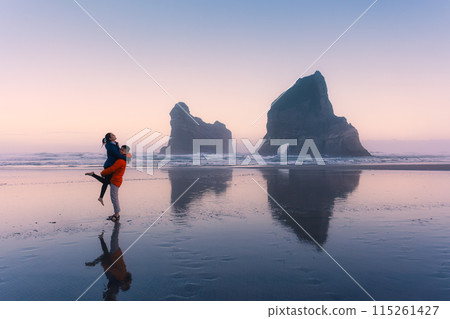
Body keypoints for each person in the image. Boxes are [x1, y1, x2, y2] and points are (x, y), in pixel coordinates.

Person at [85, 222, 132, 301]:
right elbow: (112, 270)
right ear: (126, 284)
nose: (121, 287)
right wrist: (105, 267)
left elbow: (114, 285)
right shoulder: (121, 276)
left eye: (122, 288)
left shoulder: (120, 280)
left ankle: (101, 238)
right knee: (114, 239)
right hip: (115, 254)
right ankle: (117, 224)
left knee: (105, 252)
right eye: (123, 287)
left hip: (112, 259)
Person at [86, 144, 130, 222]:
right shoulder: (121, 159)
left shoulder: (120, 161)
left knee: (114, 198)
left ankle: (116, 215)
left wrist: (103, 172)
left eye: (122, 150)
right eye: (120, 149)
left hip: (116, 181)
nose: (120, 150)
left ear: (125, 153)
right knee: (105, 183)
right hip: (115, 179)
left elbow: (112, 169)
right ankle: (93, 174)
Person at [87, 133, 127, 206]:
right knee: (107, 182)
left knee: (106, 182)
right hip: (109, 166)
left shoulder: (114, 144)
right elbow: (117, 155)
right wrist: (127, 158)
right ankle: (101, 196)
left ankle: (101, 197)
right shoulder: (110, 146)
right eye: (113, 135)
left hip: (111, 165)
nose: (115, 135)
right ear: (110, 139)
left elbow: (119, 153)